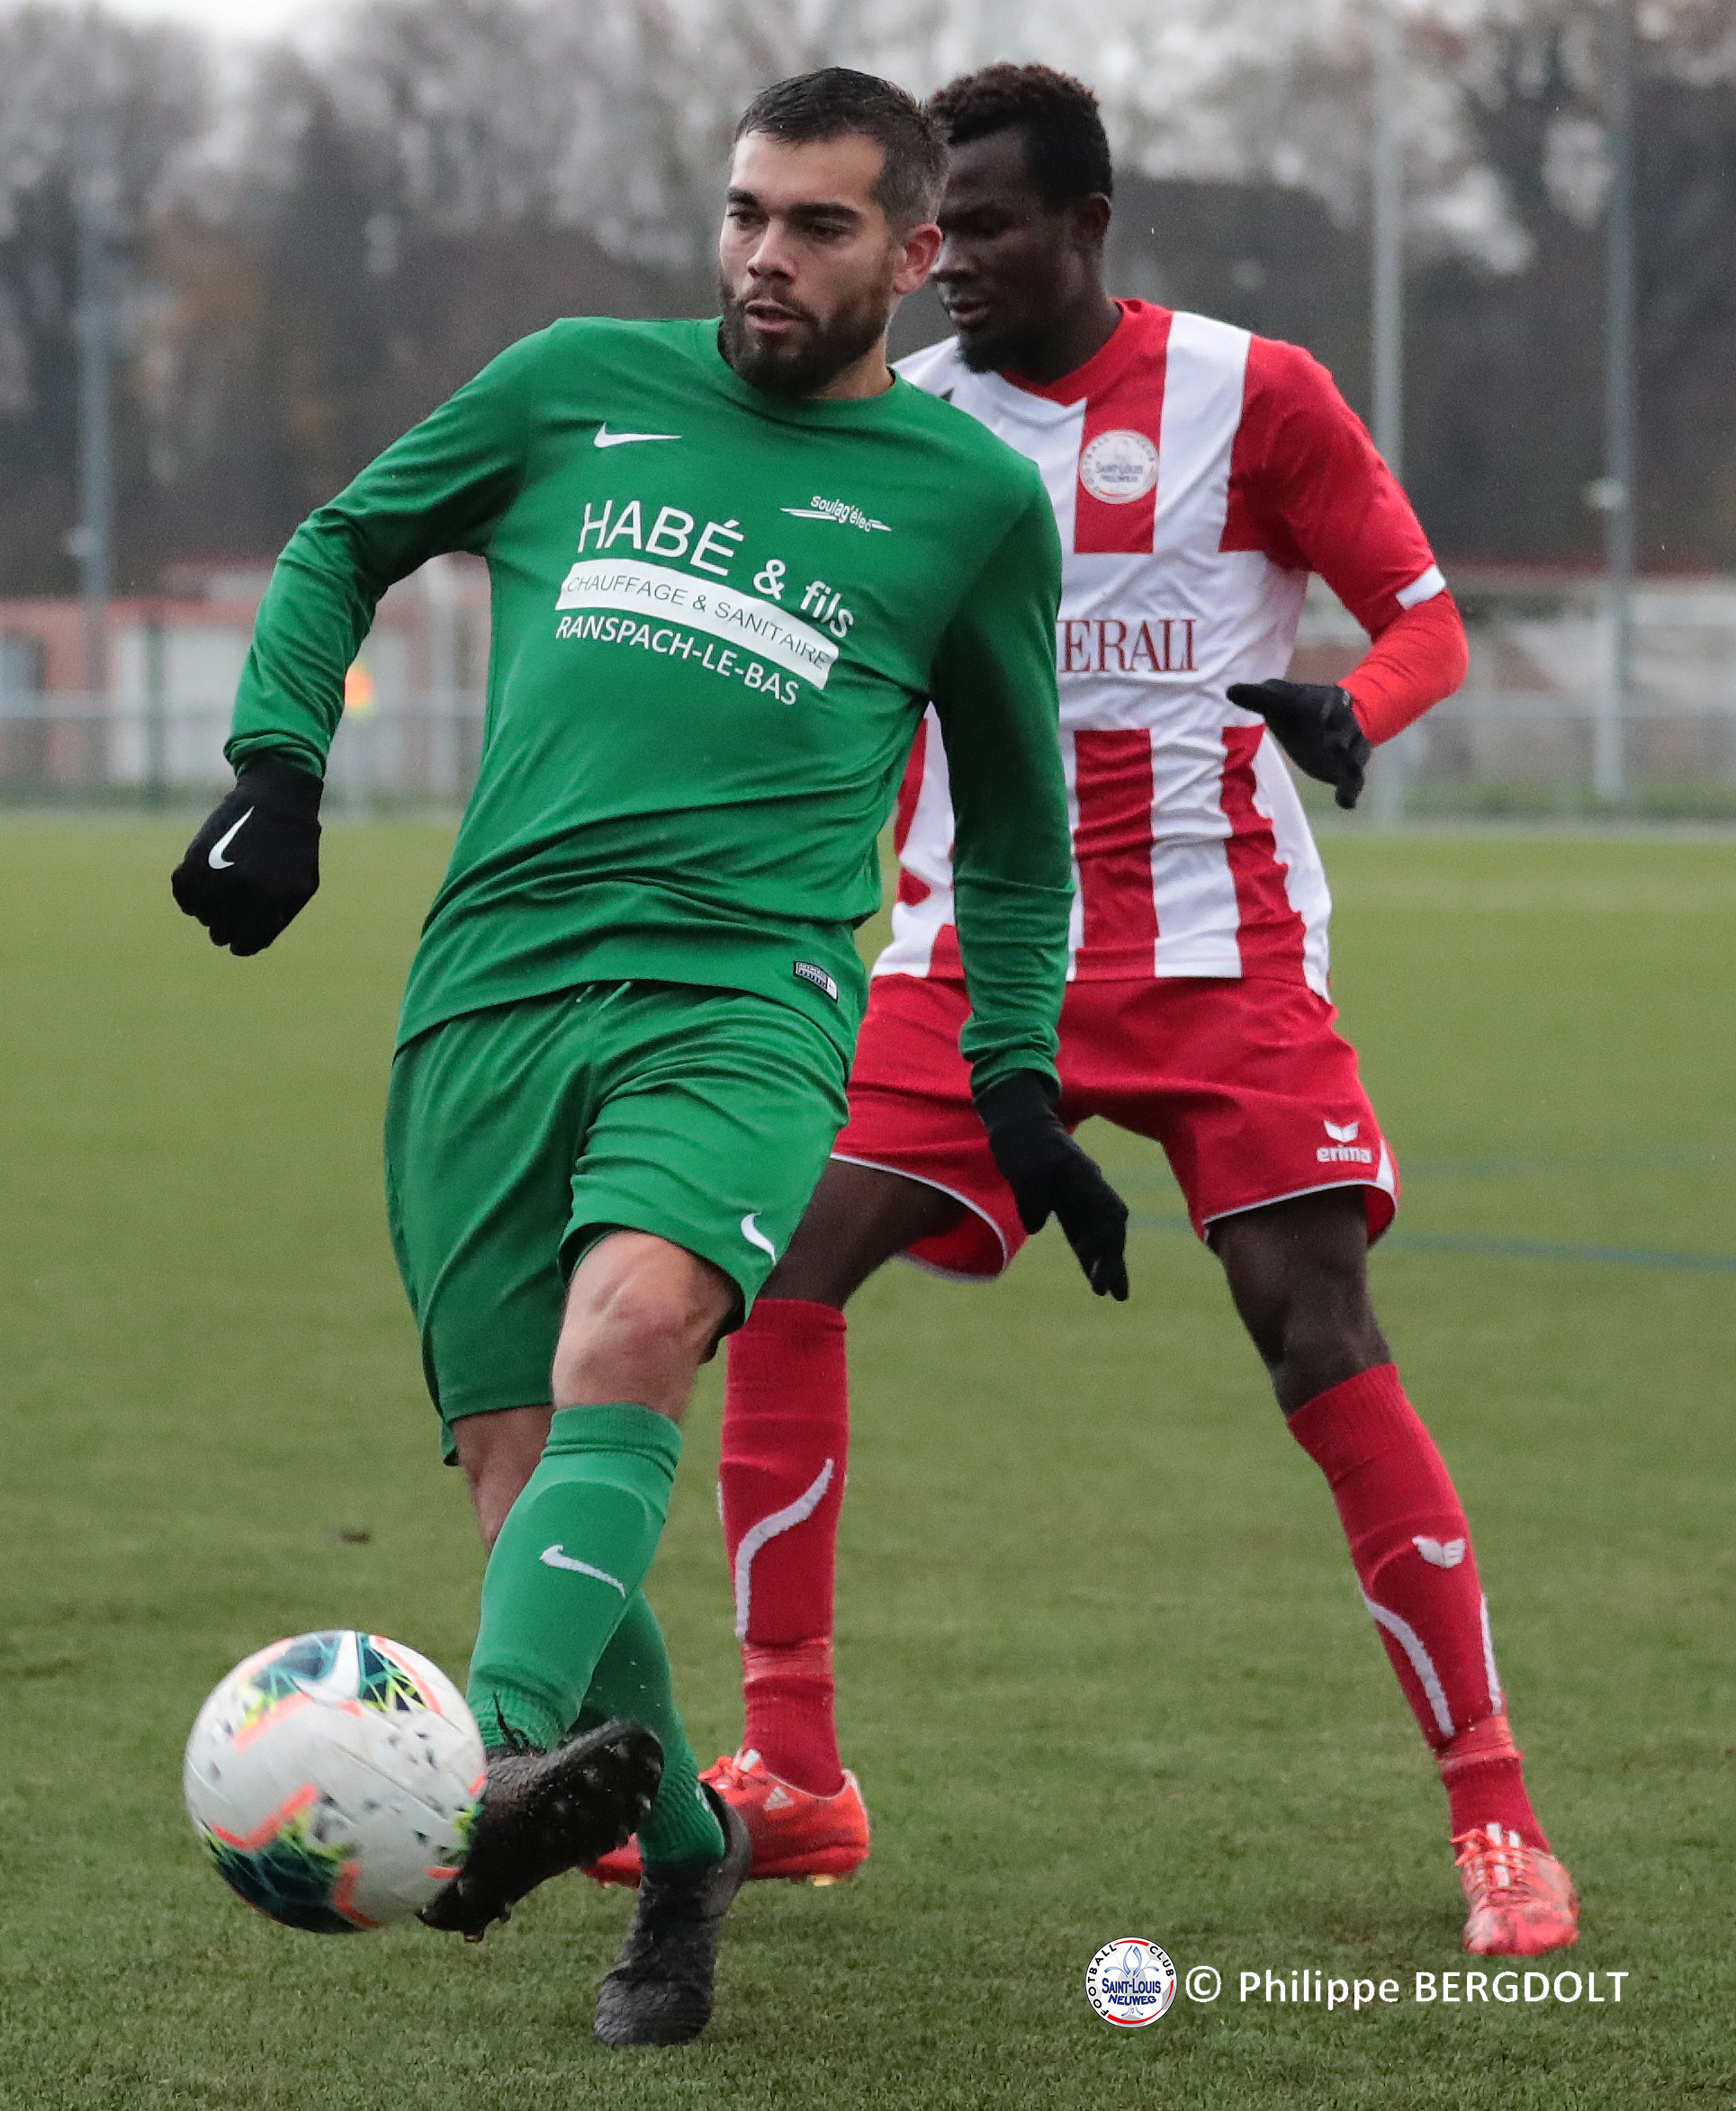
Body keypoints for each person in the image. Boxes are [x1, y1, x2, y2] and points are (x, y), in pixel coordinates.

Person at [170, 66, 1129, 2045]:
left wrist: (1016, 1074)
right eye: (745, 213)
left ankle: (484, 1761)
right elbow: (343, 541)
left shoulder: (966, 504)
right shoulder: (570, 384)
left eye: (818, 227)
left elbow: (1021, 839)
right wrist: (279, 767)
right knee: (526, 1482)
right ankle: (687, 1847)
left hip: (745, 999)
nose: (765, 257)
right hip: (488, 1000)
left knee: (631, 1332)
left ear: (911, 255)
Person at [590, 63, 1579, 1961]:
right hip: (970, 954)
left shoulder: (1251, 392)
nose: (948, 260)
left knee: (1317, 1334)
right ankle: (792, 1767)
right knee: (778, 1268)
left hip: (1218, 950)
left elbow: (1425, 621)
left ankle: (1496, 1817)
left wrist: (1351, 710)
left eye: (981, 225)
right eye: (930, 230)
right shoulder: (899, 422)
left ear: (1085, 226)